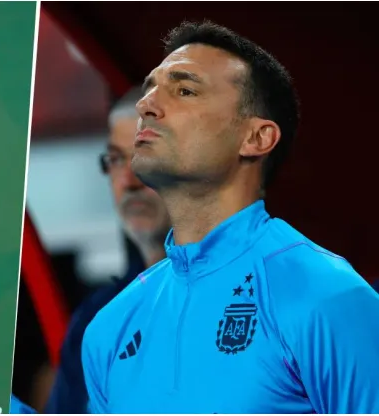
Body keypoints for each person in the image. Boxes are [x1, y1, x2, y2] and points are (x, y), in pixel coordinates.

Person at [82, 21, 379, 414]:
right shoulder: (110, 327)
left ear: (256, 138)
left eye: (184, 90)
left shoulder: (328, 298)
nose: (145, 104)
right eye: (150, 87)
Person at [33, 89, 171, 414]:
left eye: (145, 156)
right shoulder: (96, 319)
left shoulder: (252, 298)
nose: (128, 180)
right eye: (116, 160)